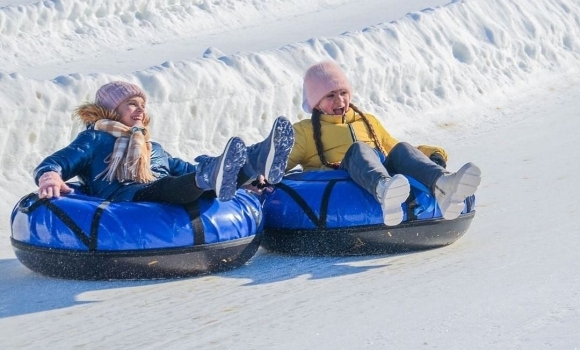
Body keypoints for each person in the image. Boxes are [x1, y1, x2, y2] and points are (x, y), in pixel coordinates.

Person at [35, 81, 295, 205]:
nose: (140, 110)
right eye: (131, 105)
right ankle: (213, 175)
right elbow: (60, 160)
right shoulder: (95, 138)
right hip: (128, 197)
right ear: (111, 110)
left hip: (164, 187)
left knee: (204, 177)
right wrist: (50, 177)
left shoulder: (152, 147)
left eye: (143, 105)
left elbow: (183, 169)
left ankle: (256, 160)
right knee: (177, 185)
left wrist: (246, 180)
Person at [286, 61, 481, 226]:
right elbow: (281, 163)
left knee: (402, 148)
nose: (339, 100)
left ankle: (443, 184)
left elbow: (393, 148)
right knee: (358, 150)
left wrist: (433, 153)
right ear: (315, 102)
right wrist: (262, 179)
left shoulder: (367, 120)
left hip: (389, 176)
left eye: (343, 92)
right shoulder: (304, 131)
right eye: (330, 95)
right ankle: (383, 189)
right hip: (342, 181)